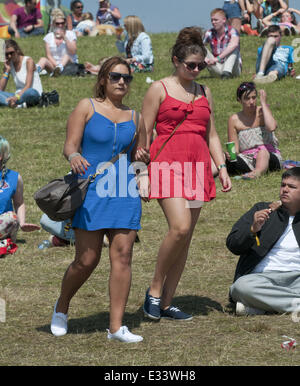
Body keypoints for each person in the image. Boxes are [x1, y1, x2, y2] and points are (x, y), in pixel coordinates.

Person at [50, 56, 148, 343]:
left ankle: (116, 328)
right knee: (86, 259)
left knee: (123, 257)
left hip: (124, 190)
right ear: (103, 79)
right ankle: (62, 305)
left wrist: (142, 162)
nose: (121, 82)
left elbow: (138, 157)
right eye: (116, 76)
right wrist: (74, 156)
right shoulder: (86, 107)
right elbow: (70, 145)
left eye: (127, 78)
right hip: (91, 190)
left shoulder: (135, 117)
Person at [141, 27, 231, 321]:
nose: (195, 70)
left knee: (186, 239)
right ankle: (154, 291)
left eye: (200, 66)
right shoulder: (159, 88)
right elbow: (142, 132)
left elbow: (212, 135)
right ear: (176, 61)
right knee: (179, 228)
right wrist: (140, 172)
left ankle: (167, 303)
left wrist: (222, 167)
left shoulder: (205, 92)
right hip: (166, 164)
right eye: (190, 65)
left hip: (198, 167)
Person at [228, 167, 300, 316]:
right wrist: (253, 229)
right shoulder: (262, 210)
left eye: (292, 187)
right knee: (240, 287)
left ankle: (259, 307)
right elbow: (233, 244)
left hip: (297, 279)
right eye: (283, 185)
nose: (285, 190)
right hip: (263, 278)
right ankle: (291, 305)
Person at [225, 82, 282, 179]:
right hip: (247, 159)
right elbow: (235, 150)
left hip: (268, 155)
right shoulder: (234, 119)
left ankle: (257, 172)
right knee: (224, 158)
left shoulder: (262, 111)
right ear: (239, 100)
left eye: (254, 97)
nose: (251, 101)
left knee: (262, 152)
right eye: (247, 98)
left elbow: (272, 127)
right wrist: (231, 156)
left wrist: (264, 104)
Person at [0, 136, 40, 243]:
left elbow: (19, 203)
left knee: (11, 218)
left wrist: (22, 223)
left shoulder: (14, 177)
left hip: (3, 224)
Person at [0, 39, 43, 108]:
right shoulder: (10, 64)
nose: (9, 56)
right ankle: (16, 104)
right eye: (6, 54)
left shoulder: (28, 61)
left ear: (17, 50)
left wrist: (16, 97)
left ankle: (13, 103)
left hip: (32, 93)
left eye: (11, 53)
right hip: (17, 95)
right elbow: (1, 89)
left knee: (31, 92)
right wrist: (7, 71)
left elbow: (28, 86)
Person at [203, 8, 242, 79]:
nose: (213, 22)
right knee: (201, 49)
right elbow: (199, 47)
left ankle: (226, 73)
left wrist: (217, 58)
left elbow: (234, 44)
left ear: (224, 20)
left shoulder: (232, 31)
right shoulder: (209, 33)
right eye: (212, 20)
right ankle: (224, 75)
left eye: (216, 20)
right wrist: (204, 58)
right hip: (217, 67)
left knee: (234, 47)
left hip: (233, 69)